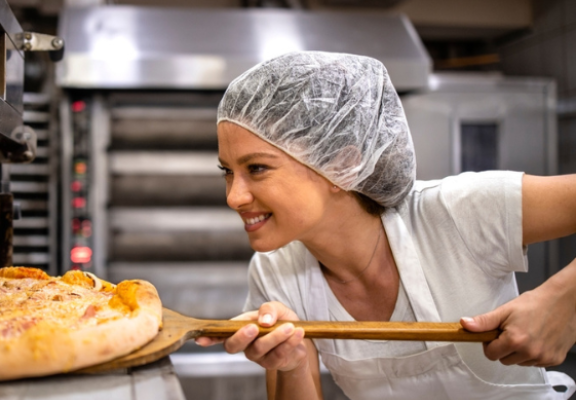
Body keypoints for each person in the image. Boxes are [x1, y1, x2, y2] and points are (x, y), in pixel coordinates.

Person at [195, 51, 576, 400]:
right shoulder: (276, 272)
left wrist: (563, 299)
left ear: (341, 164)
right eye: (227, 172)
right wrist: (290, 363)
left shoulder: (459, 212)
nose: (234, 197)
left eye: (256, 169)